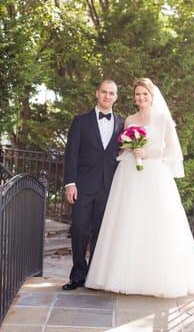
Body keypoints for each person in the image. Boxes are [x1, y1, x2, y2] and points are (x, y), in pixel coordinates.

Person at [85, 78, 194, 298]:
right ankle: (122, 275)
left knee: (156, 223)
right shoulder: (130, 119)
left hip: (154, 175)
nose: (140, 98)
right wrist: (129, 149)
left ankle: (156, 278)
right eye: (137, 94)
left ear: (152, 96)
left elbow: (172, 152)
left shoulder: (163, 119)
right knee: (128, 222)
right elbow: (122, 148)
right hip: (130, 175)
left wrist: (148, 154)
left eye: (144, 94)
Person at [62, 80, 124, 291]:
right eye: (104, 92)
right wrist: (70, 183)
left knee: (101, 231)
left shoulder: (123, 124)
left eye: (111, 93)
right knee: (79, 229)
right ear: (97, 93)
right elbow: (71, 154)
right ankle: (78, 274)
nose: (107, 96)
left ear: (116, 97)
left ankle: (95, 277)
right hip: (83, 186)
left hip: (109, 186)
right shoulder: (80, 121)